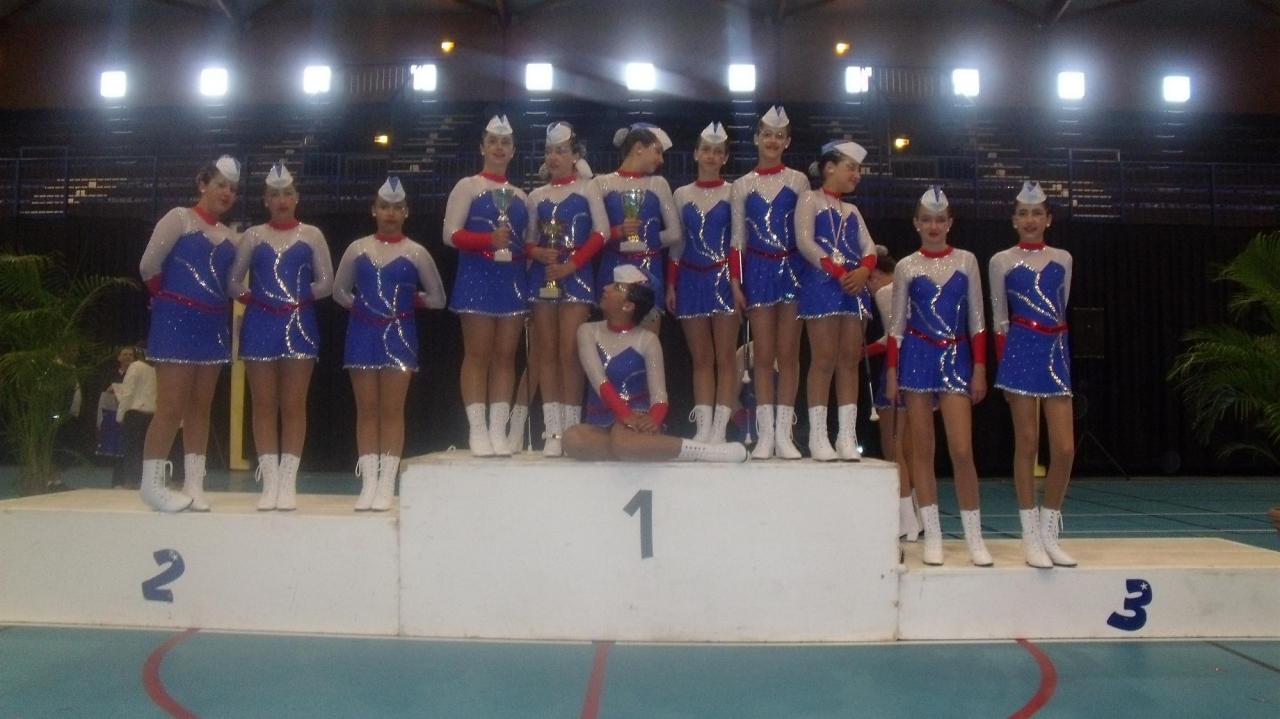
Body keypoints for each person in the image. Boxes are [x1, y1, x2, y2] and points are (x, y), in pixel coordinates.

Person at [886, 187, 991, 566]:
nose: (933, 226)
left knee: (961, 450)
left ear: (950, 223)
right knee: (922, 449)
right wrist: (892, 371)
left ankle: (974, 537)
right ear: (916, 223)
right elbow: (896, 326)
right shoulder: (906, 266)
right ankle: (932, 534)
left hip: (956, 357)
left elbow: (977, 320)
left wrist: (979, 367)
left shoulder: (966, 261)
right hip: (917, 357)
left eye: (940, 220)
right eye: (927, 220)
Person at [333, 177, 446, 511]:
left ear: (406, 212)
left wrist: (411, 301)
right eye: (384, 207)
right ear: (374, 210)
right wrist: (364, 308)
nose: (390, 213)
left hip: (400, 335)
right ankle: (369, 482)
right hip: (362, 334)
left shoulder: (416, 252)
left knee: (393, 410)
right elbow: (339, 291)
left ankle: (386, 484)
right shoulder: (357, 249)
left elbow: (438, 298)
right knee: (367, 410)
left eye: (397, 208)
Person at [137, 155, 241, 512]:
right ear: (202, 184)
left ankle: (195, 484)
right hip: (177, 322)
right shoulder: (178, 218)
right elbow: (148, 265)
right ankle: (151, 484)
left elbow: (231, 285)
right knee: (171, 407)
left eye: (233, 189)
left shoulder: (231, 237)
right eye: (220, 185)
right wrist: (171, 302)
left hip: (213, 326)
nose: (227, 193)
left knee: (200, 407)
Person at [228, 162, 334, 511]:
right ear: (266, 200)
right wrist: (254, 298)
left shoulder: (312, 235)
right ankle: (270, 482)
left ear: (296, 197)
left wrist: (297, 298)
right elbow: (233, 281)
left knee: (293, 404)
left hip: (299, 324)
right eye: (275, 195)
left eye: (287, 193)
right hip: (260, 323)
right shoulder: (253, 236)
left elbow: (327, 282)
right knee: (262, 404)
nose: (282, 200)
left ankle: (288, 482)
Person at [562, 266, 747, 463]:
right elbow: (598, 380)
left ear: (628, 306)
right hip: (603, 420)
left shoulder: (647, 340)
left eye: (616, 287)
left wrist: (652, 420)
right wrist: (624, 414)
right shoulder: (588, 332)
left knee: (621, 437)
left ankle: (702, 451)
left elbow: (660, 397)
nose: (606, 288)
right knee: (572, 439)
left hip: (639, 419)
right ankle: (650, 449)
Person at [990, 181, 1077, 568]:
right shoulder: (1001, 261)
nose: (1030, 220)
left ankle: (1049, 531)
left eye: (1037, 213)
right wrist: (1003, 370)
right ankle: (1029, 536)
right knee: (1026, 443)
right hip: (1020, 350)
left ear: (1048, 219)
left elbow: (1062, 304)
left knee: (1064, 448)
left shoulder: (1064, 258)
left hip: (1055, 352)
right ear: (1013, 220)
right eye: (1023, 214)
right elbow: (999, 319)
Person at [444, 115, 531, 457]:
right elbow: (450, 234)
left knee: (506, 356)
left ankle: (498, 428)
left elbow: (526, 242)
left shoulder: (521, 196)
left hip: (511, 280)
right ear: (482, 147)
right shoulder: (467, 186)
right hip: (477, 277)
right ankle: (477, 429)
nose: (498, 147)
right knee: (478, 354)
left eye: (505, 142)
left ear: (513, 151)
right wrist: (486, 240)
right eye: (493, 141)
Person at [524, 121, 607, 456]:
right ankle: (553, 430)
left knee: (570, 353)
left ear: (575, 156)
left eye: (560, 151)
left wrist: (572, 265)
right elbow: (529, 239)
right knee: (547, 352)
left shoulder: (589, 189)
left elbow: (601, 233)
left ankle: (571, 429)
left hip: (576, 275)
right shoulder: (536, 196)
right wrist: (536, 253)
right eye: (549, 152)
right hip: (544, 275)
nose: (553, 157)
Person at [731, 106, 809, 459]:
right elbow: (737, 239)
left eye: (779, 136)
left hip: (792, 268)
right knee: (762, 354)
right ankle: (764, 434)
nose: (772, 141)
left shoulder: (798, 181)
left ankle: (784, 433)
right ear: (756, 139)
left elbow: (805, 231)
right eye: (766, 134)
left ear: (787, 142)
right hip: (759, 270)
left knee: (788, 353)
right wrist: (736, 281)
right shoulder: (742, 185)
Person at [795, 141, 877, 461]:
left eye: (858, 170)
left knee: (848, 360)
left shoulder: (852, 211)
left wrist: (864, 271)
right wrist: (837, 270)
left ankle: (846, 436)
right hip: (821, 284)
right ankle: (818, 436)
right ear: (830, 167)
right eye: (851, 167)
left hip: (853, 288)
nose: (857, 175)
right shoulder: (809, 199)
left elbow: (869, 247)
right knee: (823, 359)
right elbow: (805, 241)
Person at [666, 122, 744, 443]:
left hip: (723, 278)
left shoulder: (734, 191)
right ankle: (702, 427)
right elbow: (677, 243)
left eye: (717, 152)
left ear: (725, 157)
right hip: (690, 278)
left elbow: (738, 240)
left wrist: (736, 282)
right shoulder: (681, 194)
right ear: (696, 153)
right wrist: (671, 284)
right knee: (700, 359)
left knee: (725, 357)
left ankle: (719, 429)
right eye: (706, 150)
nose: (711, 156)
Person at [594, 123, 680, 332]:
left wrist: (645, 240)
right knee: (611, 339)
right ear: (639, 147)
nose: (661, 160)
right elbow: (593, 234)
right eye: (657, 151)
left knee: (648, 340)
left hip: (648, 270)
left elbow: (675, 233)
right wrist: (618, 233)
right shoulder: (601, 183)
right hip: (613, 269)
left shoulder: (659, 184)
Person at [866, 250, 923, 541]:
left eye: (868, 280)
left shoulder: (885, 291)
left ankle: (906, 519)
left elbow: (892, 336)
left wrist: (862, 352)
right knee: (911, 448)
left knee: (894, 447)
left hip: (897, 370)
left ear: (875, 275)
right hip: (917, 369)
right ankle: (918, 515)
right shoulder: (906, 288)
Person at [115, 346, 156, 490]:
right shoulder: (155, 369)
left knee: (132, 449)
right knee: (146, 450)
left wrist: (120, 415)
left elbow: (128, 392)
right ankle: (146, 481)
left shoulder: (135, 367)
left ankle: (131, 481)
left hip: (135, 413)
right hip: (151, 414)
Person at [97, 347, 133, 484]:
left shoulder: (137, 376)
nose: (128, 357)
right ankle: (117, 481)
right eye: (125, 354)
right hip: (114, 415)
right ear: (119, 357)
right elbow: (104, 394)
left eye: (131, 355)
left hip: (132, 415)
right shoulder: (110, 375)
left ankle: (131, 480)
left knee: (131, 448)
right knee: (117, 449)